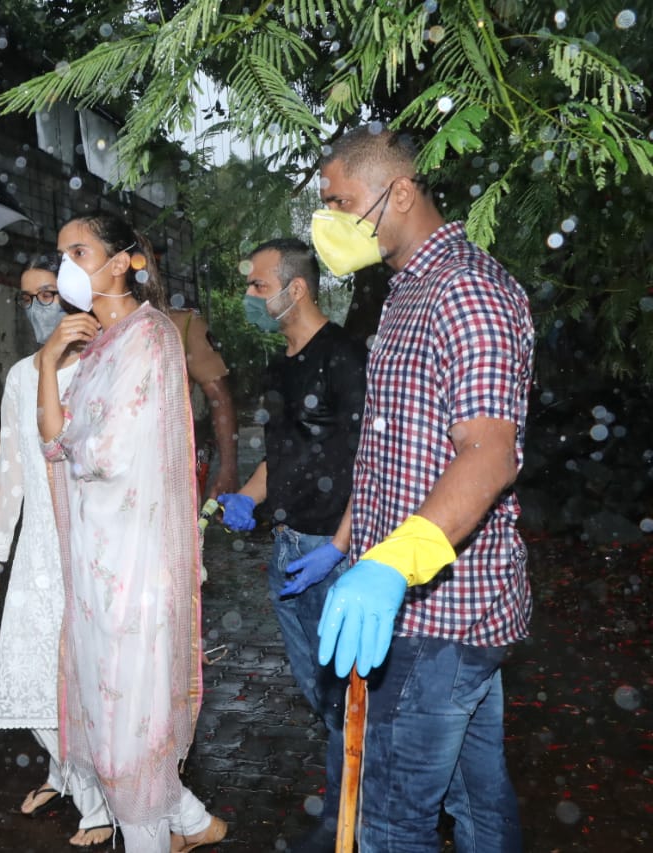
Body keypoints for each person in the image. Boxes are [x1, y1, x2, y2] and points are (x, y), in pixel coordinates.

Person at [314, 126, 533, 851]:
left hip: (437, 616)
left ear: (399, 192)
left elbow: (487, 456)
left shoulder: (466, 291)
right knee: (476, 803)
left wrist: (390, 566)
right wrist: (347, 547)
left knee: (390, 819)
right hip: (420, 607)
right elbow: (389, 451)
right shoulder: (405, 289)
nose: (330, 224)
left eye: (342, 203)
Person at [36, 212, 227, 853]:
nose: (67, 265)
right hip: (98, 560)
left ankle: (155, 835)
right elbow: (56, 440)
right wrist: (46, 364)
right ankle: (194, 824)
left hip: (135, 563)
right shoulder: (95, 347)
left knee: (129, 723)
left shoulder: (149, 338)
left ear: (122, 262)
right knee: (113, 705)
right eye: (61, 253)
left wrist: (69, 439)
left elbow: (102, 450)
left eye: (80, 251)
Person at [217, 238, 366, 853]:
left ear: (294, 288)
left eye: (257, 285)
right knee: (321, 695)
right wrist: (249, 496)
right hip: (287, 549)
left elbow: (372, 463)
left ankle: (347, 822)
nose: (249, 296)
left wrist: (339, 544)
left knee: (343, 698)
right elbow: (281, 455)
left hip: (333, 555)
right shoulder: (280, 365)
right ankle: (355, 807)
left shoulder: (346, 358)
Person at [0, 256, 112, 849]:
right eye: (29, 297)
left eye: (50, 294)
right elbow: (10, 469)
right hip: (37, 551)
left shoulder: (105, 367)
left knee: (83, 680)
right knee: (31, 677)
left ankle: (98, 801)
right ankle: (66, 773)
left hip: (92, 547)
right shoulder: (21, 376)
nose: (40, 308)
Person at [167, 305, 239, 497]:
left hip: (172, 465)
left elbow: (219, 396)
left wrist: (228, 468)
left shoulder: (183, 323)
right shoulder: (89, 328)